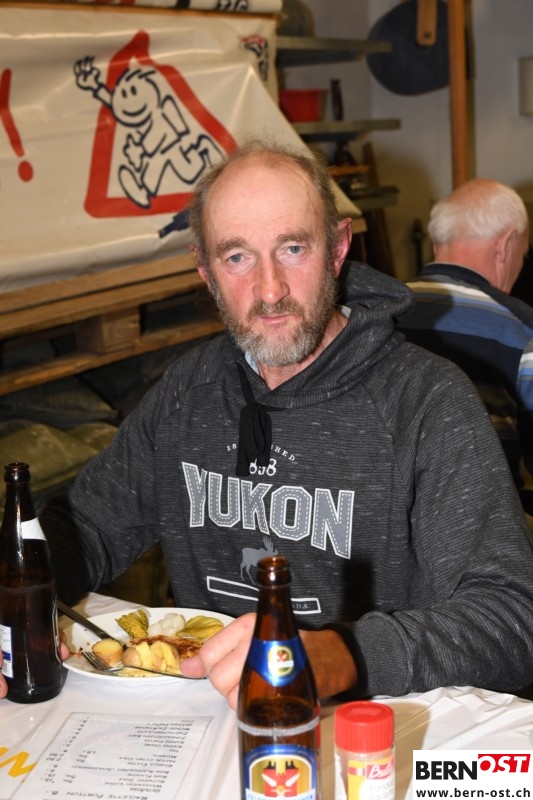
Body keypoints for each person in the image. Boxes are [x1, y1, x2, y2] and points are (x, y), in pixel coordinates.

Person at [2, 143, 533, 707]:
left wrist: (345, 656)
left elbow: (514, 618)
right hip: (205, 715)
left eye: (293, 248)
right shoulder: (188, 391)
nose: (270, 289)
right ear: (206, 272)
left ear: (338, 248)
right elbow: (82, 530)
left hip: (371, 722)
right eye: (238, 257)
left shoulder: (426, 400)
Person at [398, 178, 533, 513]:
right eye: (523, 254)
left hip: (385, 519)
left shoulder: (378, 311)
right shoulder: (523, 327)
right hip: (485, 520)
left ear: (437, 243)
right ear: (505, 245)